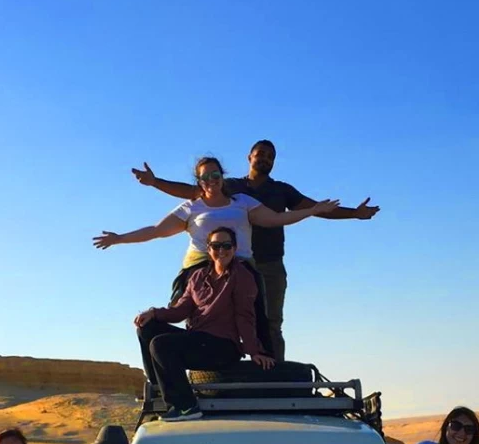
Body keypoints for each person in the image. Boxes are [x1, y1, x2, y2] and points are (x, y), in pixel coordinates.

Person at [130, 140, 379, 360]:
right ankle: (198, 372)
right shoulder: (230, 186)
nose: (265, 159)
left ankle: (273, 374)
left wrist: (354, 214)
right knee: (199, 315)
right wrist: (155, 182)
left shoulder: (281, 190)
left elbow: (315, 208)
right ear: (249, 157)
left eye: (270, 156)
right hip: (221, 263)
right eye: (260, 154)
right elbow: (192, 191)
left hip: (267, 265)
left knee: (268, 322)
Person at [95, 156, 339, 355]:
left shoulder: (242, 202)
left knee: (258, 316)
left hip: (240, 266)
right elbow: (157, 231)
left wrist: (312, 210)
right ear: (199, 181)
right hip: (199, 270)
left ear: (222, 177)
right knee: (183, 315)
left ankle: (264, 364)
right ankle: (173, 371)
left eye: (215, 175)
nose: (211, 180)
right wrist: (119, 238)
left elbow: (276, 219)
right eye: (205, 177)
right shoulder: (192, 207)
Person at [134, 227, 272, 422]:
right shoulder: (197, 277)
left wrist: (254, 350)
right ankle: (159, 389)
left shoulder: (242, 276)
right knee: (147, 329)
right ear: (209, 249)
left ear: (235, 248)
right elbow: (180, 311)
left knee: (161, 344)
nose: (221, 250)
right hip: (197, 340)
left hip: (223, 347)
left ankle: (186, 406)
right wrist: (153, 313)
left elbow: (245, 316)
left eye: (227, 245)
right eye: (216, 245)